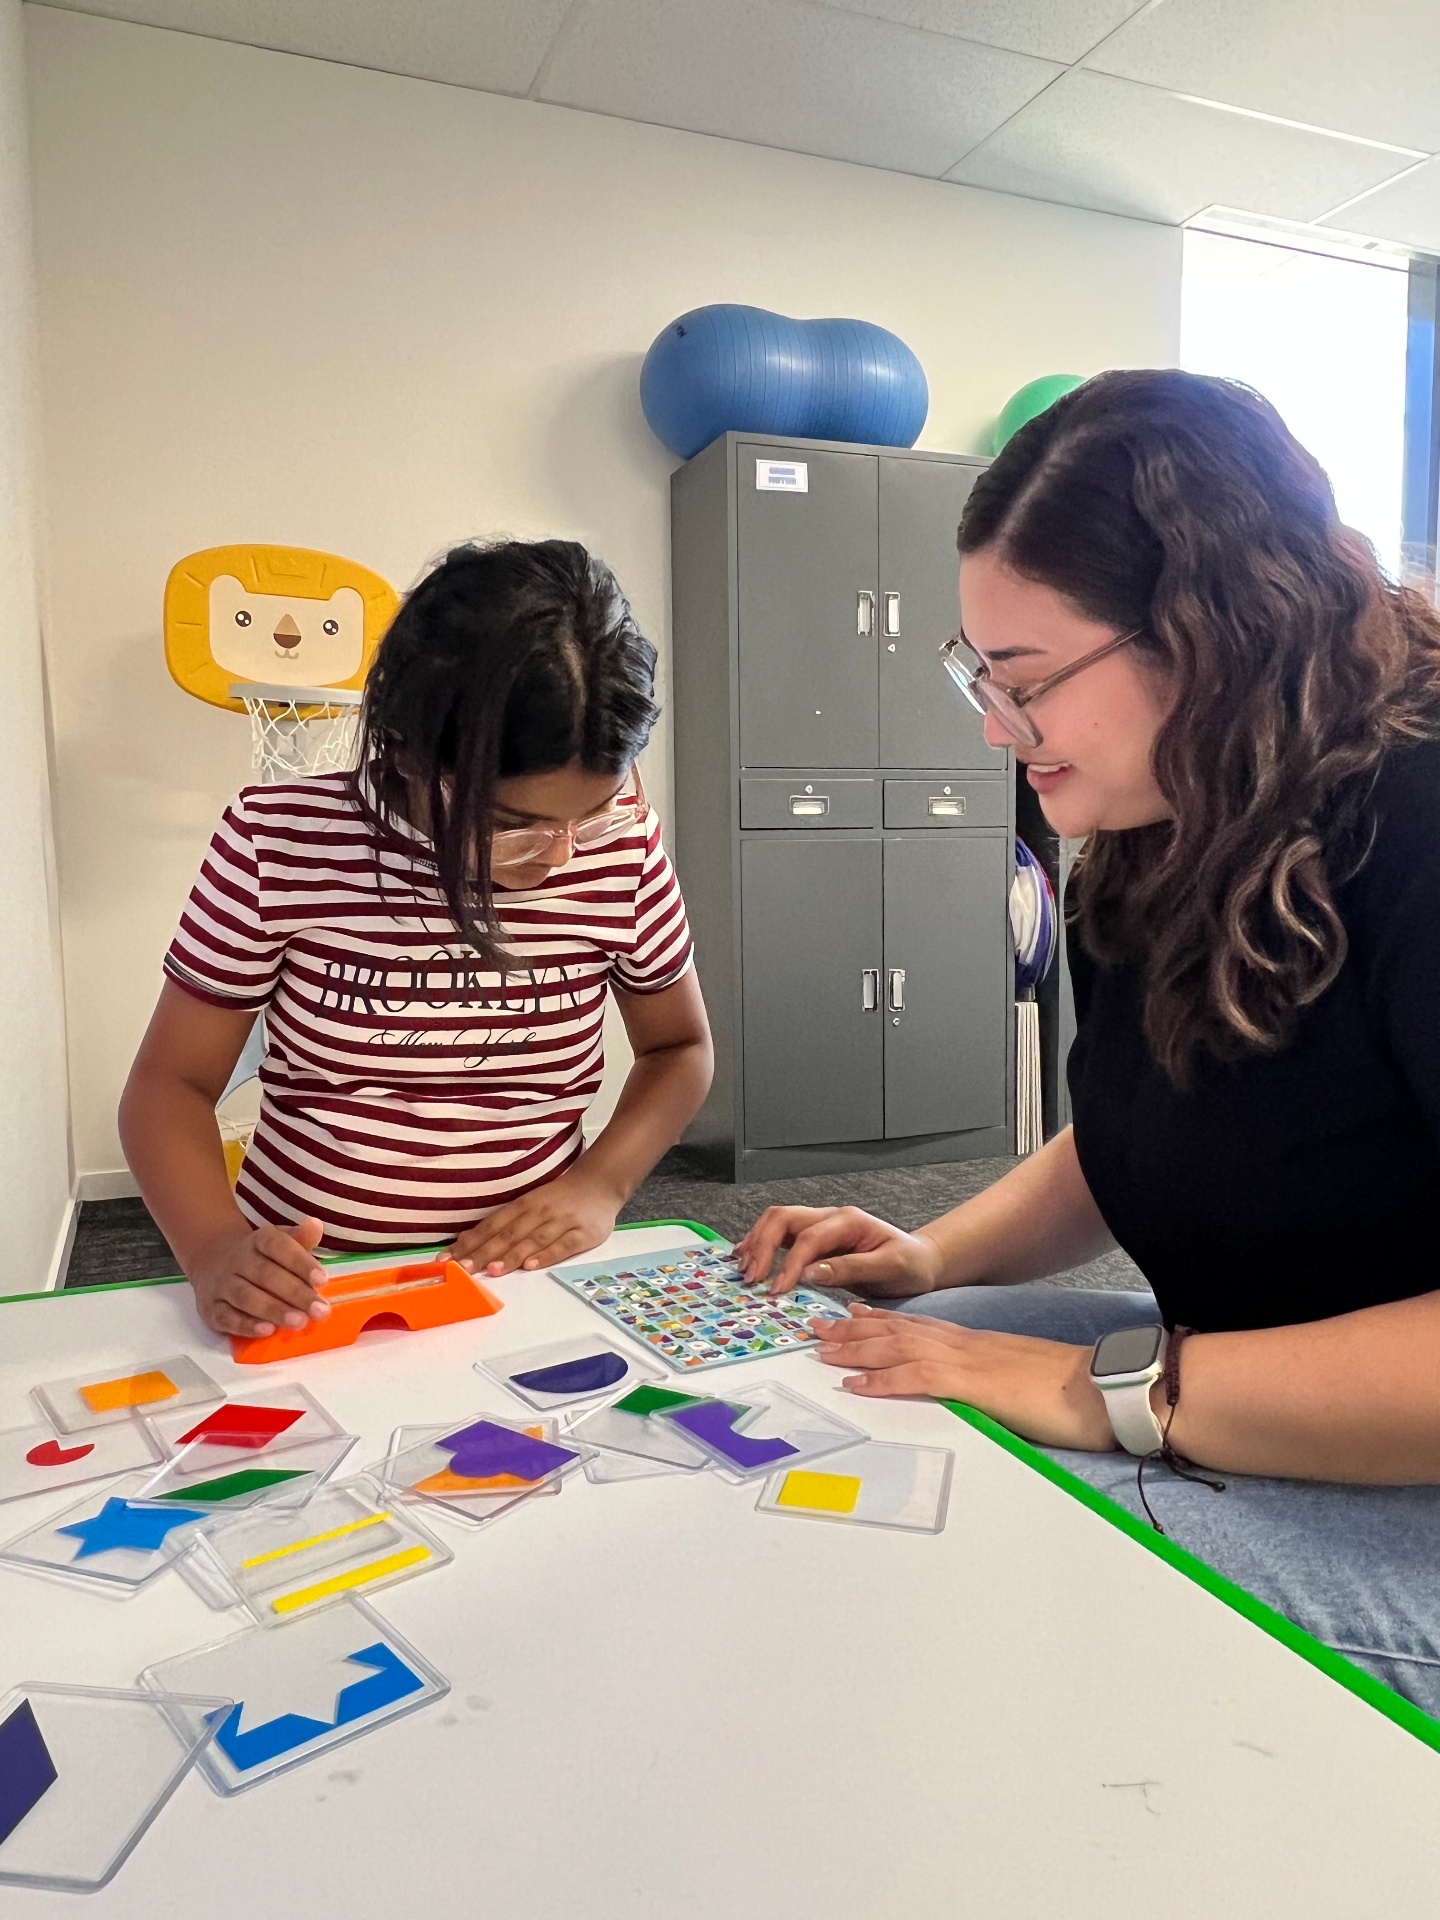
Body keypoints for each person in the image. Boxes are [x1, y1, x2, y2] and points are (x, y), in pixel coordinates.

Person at [736, 370, 1440, 1718]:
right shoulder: (1160, 809)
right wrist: (931, 1254)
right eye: (975, 675)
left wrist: (1098, 1391)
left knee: (987, 1567)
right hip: (1232, 1374)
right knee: (853, 1361)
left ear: (1216, 636)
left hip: (1402, 1472)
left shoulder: (1415, 815)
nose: (995, 727)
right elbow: (1152, 1126)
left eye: (1026, 681)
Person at [122, 538, 712, 1340]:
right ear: (403, 750)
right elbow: (170, 1085)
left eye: (596, 811)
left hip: (520, 1280)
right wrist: (215, 1248)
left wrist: (600, 1186)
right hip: (312, 1284)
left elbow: (680, 1049)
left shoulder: (626, 849)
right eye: (511, 824)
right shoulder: (278, 839)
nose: (562, 855)